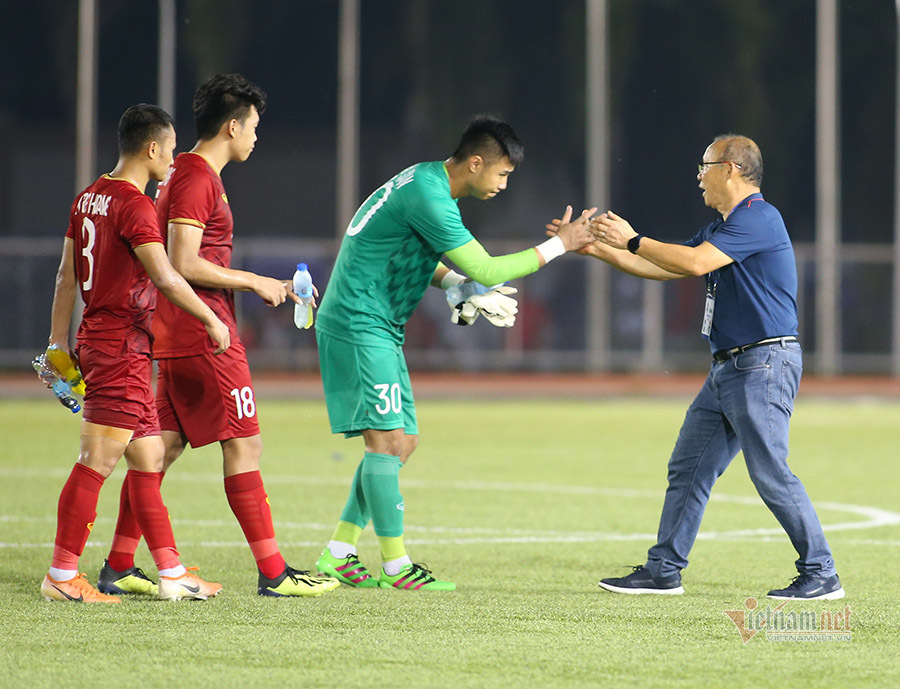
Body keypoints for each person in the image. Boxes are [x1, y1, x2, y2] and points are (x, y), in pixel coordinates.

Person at [313, 115, 596, 591]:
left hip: (378, 324)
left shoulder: (426, 181)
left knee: (403, 442)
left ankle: (339, 551)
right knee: (384, 442)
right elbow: (486, 267)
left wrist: (453, 284)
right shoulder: (430, 196)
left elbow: (394, 250)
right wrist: (559, 245)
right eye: (502, 174)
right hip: (358, 323)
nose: (504, 185)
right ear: (477, 162)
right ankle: (396, 566)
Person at [554, 134, 842, 600]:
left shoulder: (760, 218)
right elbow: (666, 268)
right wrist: (598, 250)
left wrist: (632, 238)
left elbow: (691, 263)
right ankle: (663, 570)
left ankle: (821, 572)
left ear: (730, 169)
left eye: (704, 165)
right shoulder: (723, 227)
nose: (698, 175)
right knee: (688, 468)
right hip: (730, 368)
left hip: (763, 362)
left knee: (770, 471)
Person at [99, 74, 338, 598]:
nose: (257, 137)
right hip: (205, 334)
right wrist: (255, 282)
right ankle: (274, 573)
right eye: (254, 126)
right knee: (244, 444)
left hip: (178, 329)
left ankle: (118, 564)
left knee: (159, 449)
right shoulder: (197, 177)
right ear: (233, 126)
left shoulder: (185, 170)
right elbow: (182, 261)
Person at [41, 104, 231, 603]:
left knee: (147, 457)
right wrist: (211, 318)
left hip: (105, 341)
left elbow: (66, 276)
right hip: (119, 343)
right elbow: (167, 275)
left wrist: (59, 342)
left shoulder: (88, 197)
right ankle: (61, 576)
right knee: (96, 460)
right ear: (151, 148)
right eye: (170, 150)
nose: (173, 159)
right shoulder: (135, 204)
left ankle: (170, 572)